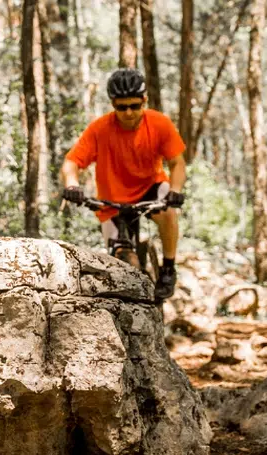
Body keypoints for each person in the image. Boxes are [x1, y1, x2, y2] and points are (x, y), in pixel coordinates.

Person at [61, 68, 187, 300]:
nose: (128, 112)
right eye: (121, 107)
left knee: (169, 210)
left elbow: (177, 163)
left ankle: (168, 268)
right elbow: (72, 162)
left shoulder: (159, 124)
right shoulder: (100, 129)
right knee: (120, 260)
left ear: (144, 101)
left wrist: (176, 190)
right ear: (113, 104)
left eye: (134, 106)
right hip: (112, 201)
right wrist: (71, 185)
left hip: (151, 190)